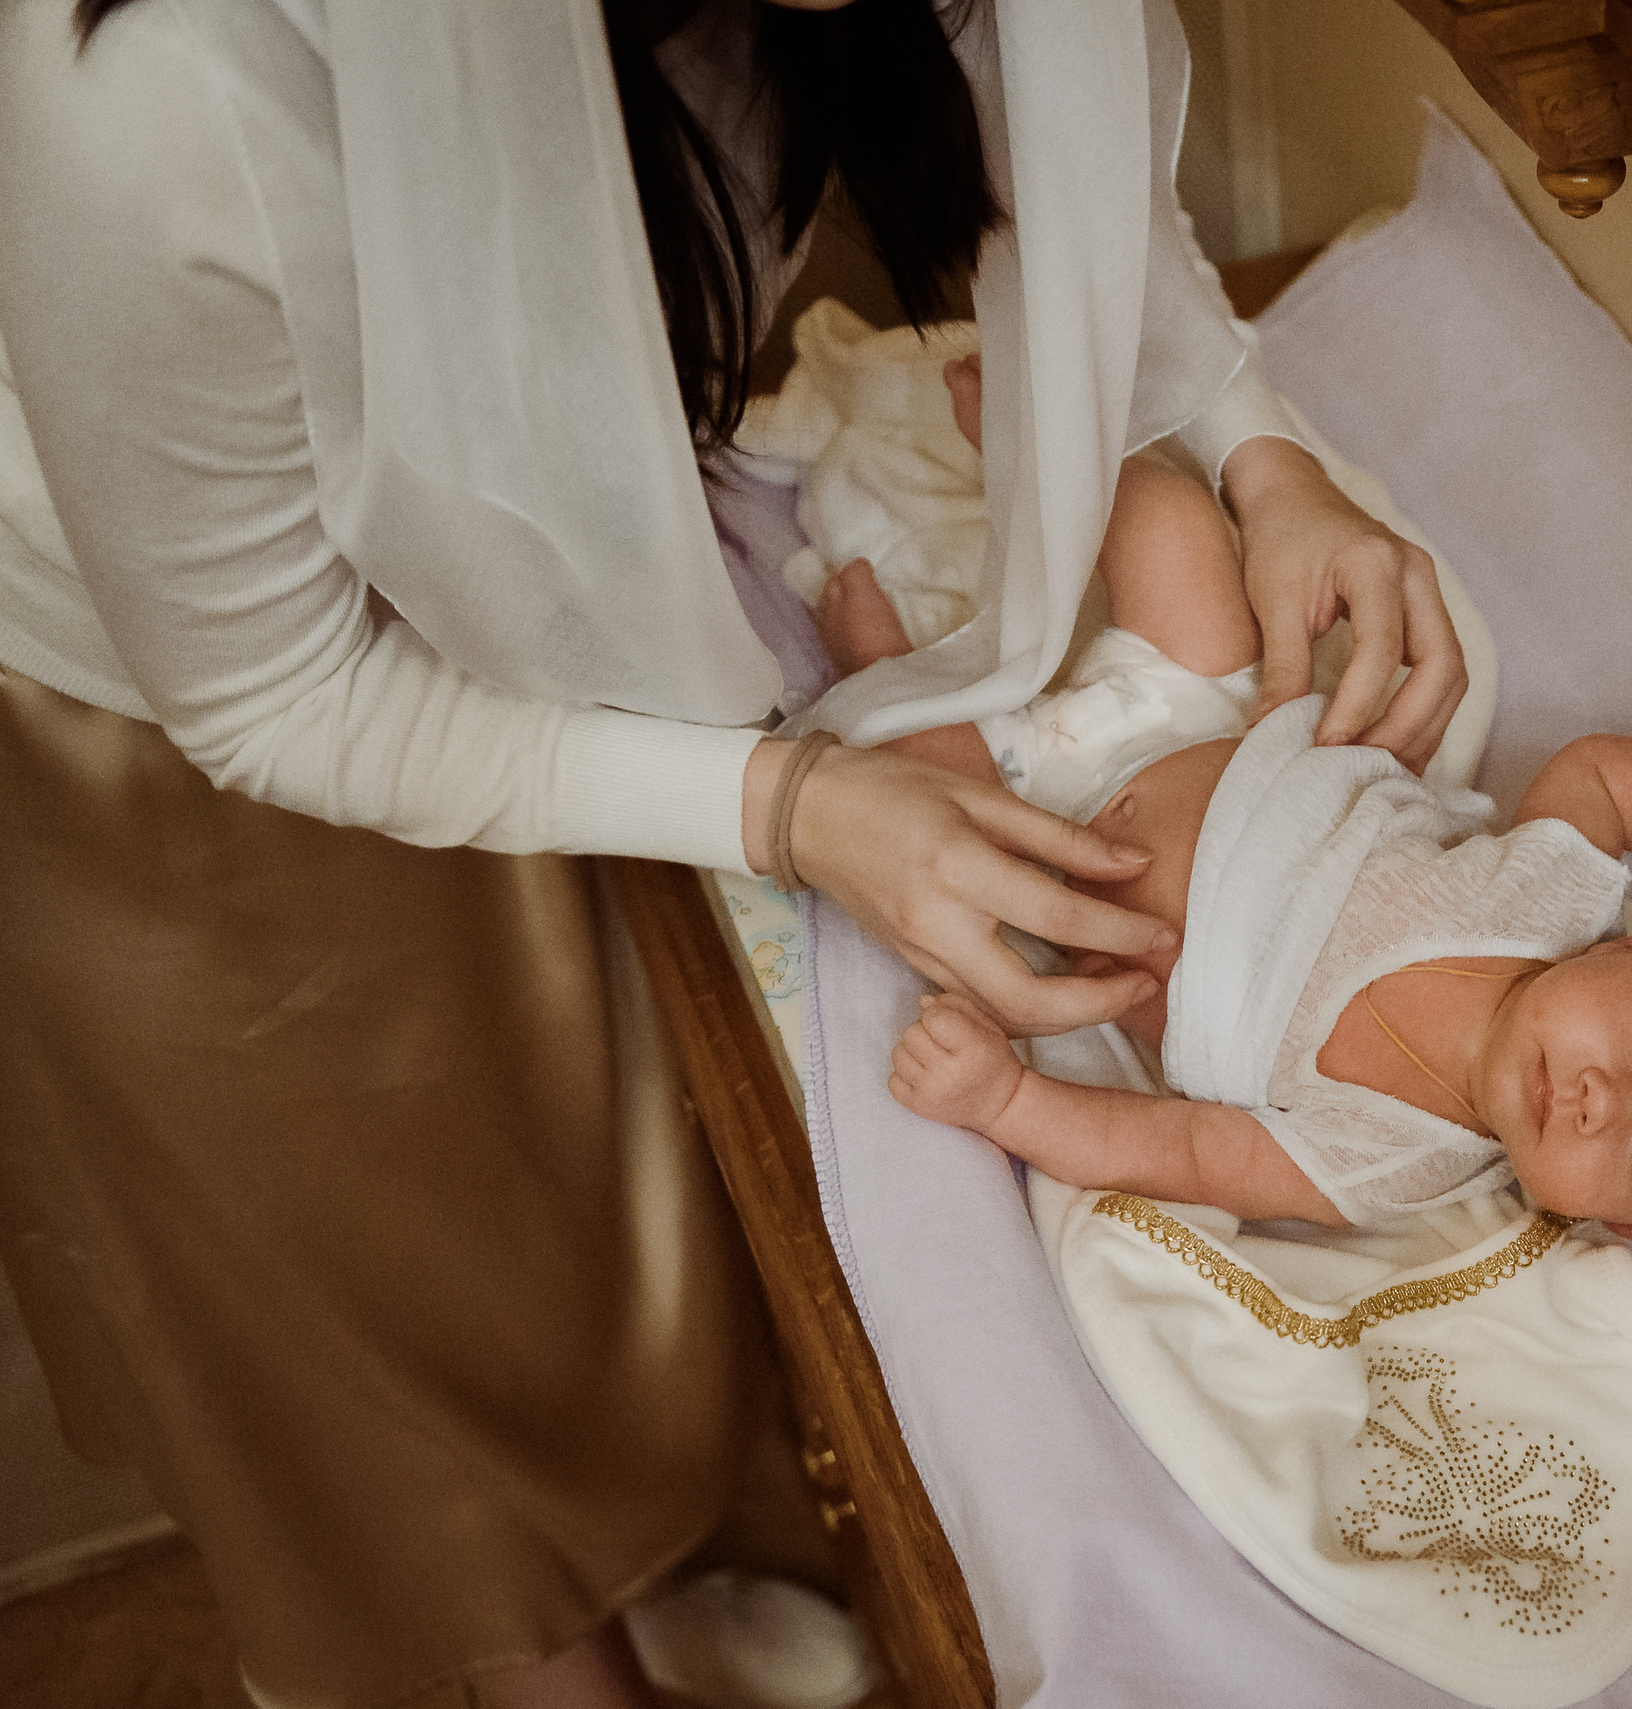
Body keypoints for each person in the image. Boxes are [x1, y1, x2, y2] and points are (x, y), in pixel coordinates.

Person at [0, 2, 1467, 1706]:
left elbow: (1056, 147)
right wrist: (795, 801)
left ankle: (623, 1544)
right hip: (163, 699)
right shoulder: (167, 94)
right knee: (360, 1262)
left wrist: (1266, 456)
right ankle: (533, 1643)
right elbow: (271, 692)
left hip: (544, 591)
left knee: (587, 1157)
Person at [818, 357, 1632, 1238]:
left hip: (1051, 859)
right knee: (1173, 527)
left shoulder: (1397, 1162)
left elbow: (1191, 1152)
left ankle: (873, 651)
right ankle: (1029, 424)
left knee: (932, 827)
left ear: (1620, 1222)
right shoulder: (1549, 905)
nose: (1598, 1098)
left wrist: (1004, 1101)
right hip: (1206, 708)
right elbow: (1613, 777)